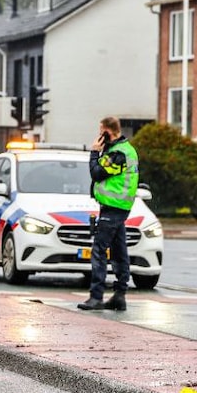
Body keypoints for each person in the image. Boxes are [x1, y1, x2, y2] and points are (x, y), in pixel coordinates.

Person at [78, 116, 139, 311]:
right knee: (120, 251)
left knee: (99, 250)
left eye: (100, 131)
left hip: (114, 207)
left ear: (108, 132)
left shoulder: (119, 154)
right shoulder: (118, 150)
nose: (98, 135)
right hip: (115, 207)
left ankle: (96, 296)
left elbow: (97, 173)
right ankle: (119, 296)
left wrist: (94, 152)